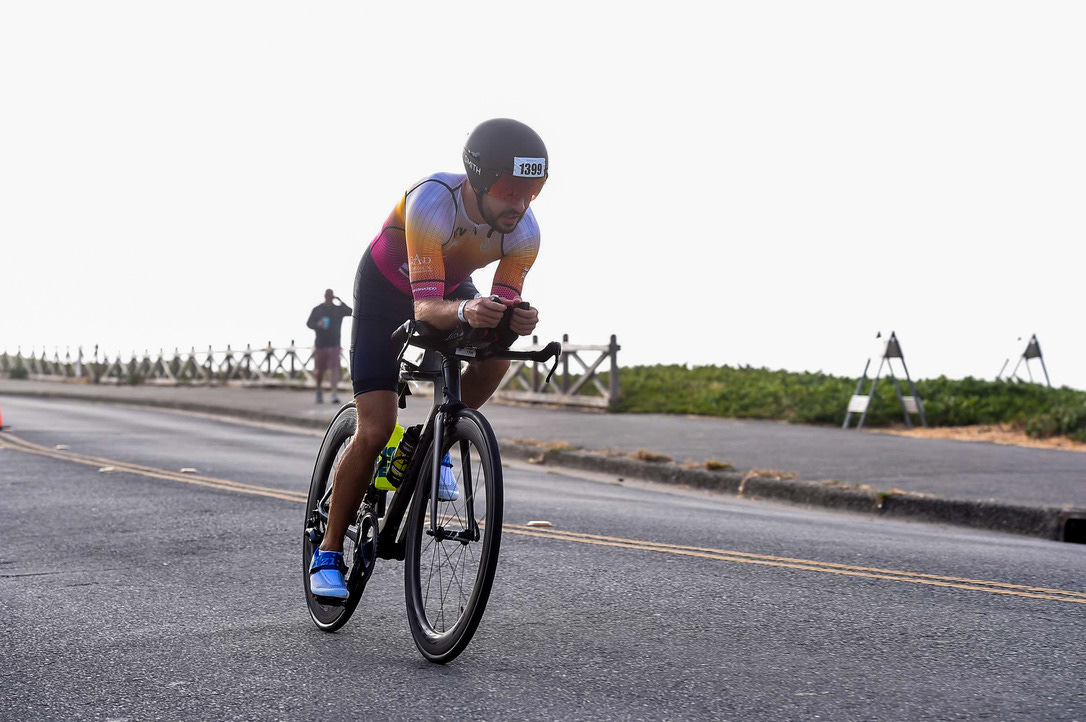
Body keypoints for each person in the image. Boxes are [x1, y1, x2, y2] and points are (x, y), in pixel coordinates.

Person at [309, 118, 546, 599]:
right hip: (387, 291)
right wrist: (465, 310)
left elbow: (497, 309)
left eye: (532, 192)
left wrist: (514, 319)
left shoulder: (525, 232)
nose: (520, 205)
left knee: (496, 356)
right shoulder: (433, 201)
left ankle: (429, 441)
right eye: (509, 191)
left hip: (449, 287)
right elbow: (424, 309)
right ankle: (328, 551)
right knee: (375, 429)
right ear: (479, 178)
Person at [306, 289, 352, 404]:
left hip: (335, 344)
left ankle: (334, 394)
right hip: (320, 344)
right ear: (324, 296)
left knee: (334, 369)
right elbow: (309, 323)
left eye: (331, 296)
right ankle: (318, 392)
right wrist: (317, 324)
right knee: (320, 371)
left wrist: (340, 301)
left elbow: (350, 311)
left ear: (333, 297)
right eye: (327, 296)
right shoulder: (317, 310)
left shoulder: (338, 309)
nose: (329, 298)